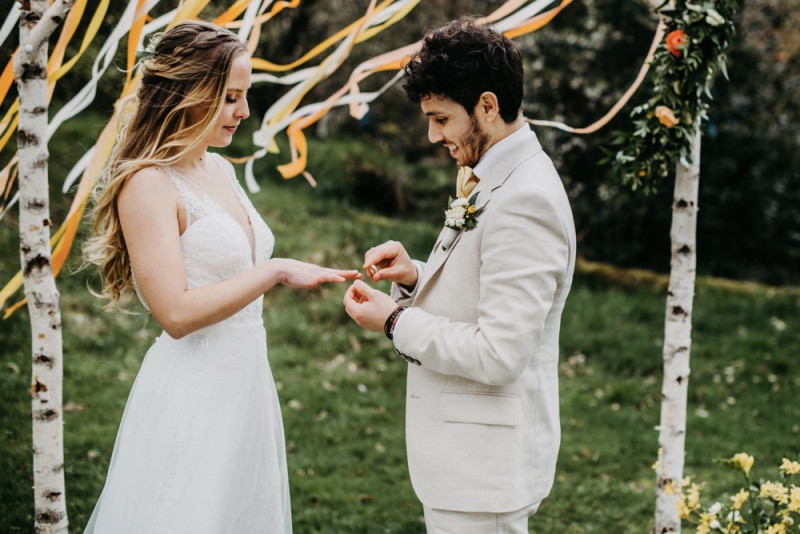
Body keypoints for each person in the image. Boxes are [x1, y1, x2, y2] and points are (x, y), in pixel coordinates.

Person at [82, 21, 359, 533]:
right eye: (230, 97)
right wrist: (274, 271)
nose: (244, 112)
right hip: (191, 390)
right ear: (190, 94)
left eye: (245, 95)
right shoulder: (147, 184)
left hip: (246, 383)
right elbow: (176, 313)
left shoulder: (219, 169)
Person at [343, 19, 576, 533]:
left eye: (441, 118)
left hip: (484, 473)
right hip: (467, 465)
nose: (433, 135)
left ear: (488, 107)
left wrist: (394, 321)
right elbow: (485, 290)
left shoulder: (525, 200)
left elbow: (500, 353)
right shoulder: (498, 173)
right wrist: (414, 276)